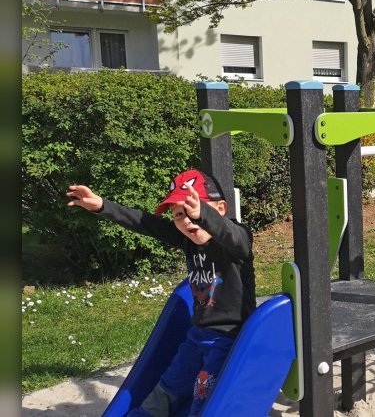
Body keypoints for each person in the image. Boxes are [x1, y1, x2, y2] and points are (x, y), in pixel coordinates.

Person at [67, 169, 256, 416]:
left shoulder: (236, 242)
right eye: (179, 214)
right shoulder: (188, 241)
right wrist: (102, 206)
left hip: (228, 341)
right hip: (197, 336)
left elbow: (229, 233)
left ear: (219, 209)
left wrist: (203, 216)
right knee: (168, 387)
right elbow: (145, 223)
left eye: (193, 210)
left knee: (204, 398)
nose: (187, 220)